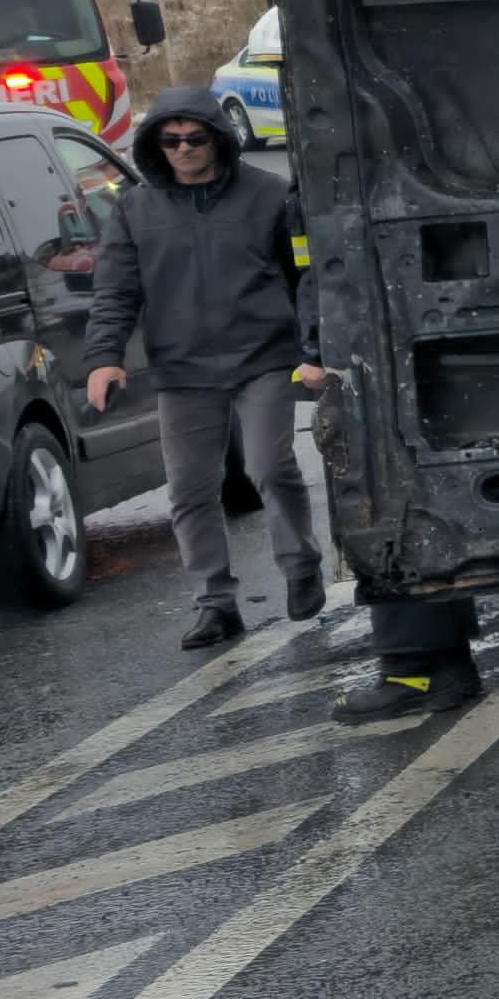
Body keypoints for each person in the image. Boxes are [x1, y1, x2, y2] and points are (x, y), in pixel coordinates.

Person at [80, 88, 336, 655]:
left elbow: (307, 278)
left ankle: (301, 565)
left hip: (264, 357)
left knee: (269, 466)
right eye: (170, 140)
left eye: (195, 137)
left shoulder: (269, 195)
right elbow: (114, 292)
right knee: (191, 489)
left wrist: (314, 351)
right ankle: (215, 603)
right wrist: (104, 359)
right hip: (182, 369)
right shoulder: (136, 209)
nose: (183, 149)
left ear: (218, 138)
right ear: (155, 145)